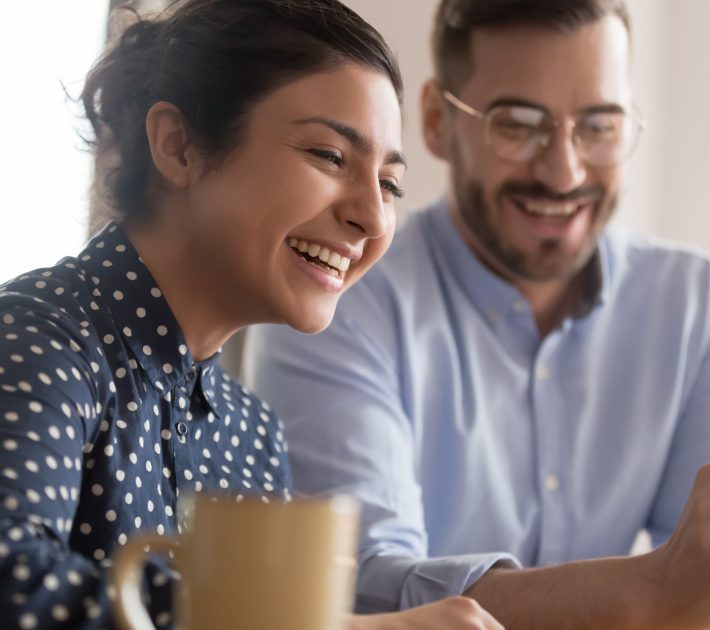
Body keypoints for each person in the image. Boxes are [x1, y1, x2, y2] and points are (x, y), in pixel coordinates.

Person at [0, 0, 504, 628]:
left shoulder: (252, 434)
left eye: (389, 185)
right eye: (329, 155)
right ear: (178, 146)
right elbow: (13, 587)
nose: (373, 218)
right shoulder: (38, 339)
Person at [243, 0, 710, 626]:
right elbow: (358, 585)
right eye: (518, 124)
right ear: (437, 121)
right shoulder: (335, 296)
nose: (563, 172)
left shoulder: (691, 305)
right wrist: (647, 592)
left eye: (598, 126)